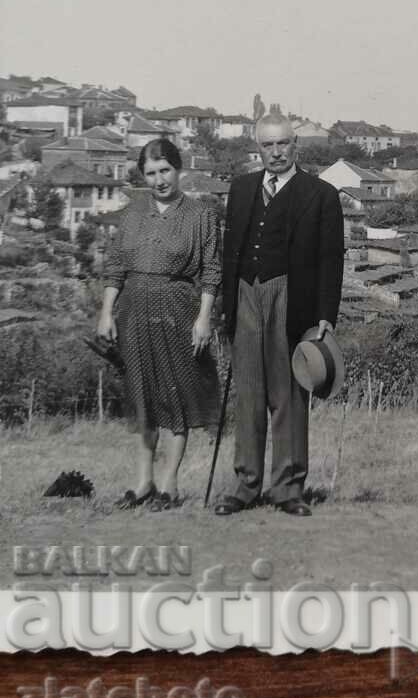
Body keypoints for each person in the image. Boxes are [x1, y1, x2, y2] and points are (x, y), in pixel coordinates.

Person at [215, 112, 344, 517]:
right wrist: (227, 305)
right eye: (267, 145)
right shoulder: (240, 190)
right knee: (249, 394)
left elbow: (330, 258)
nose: (275, 152)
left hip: (293, 297)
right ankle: (245, 486)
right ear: (258, 148)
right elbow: (230, 252)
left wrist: (325, 313)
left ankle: (288, 489)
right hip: (246, 295)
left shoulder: (320, 194)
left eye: (282, 144)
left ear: (295, 145)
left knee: (288, 395)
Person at [96, 138, 220, 511]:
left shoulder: (201, 215)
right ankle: (143, 481)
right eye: (151, 173)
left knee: (176, 395)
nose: (159, 179)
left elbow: (212, 271)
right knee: (142, 396)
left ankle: (169, 484)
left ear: (178, 169)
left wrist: (203, 318)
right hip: (133, 314)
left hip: (178, 312)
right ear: (143, 176)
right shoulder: (132, 213)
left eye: (165, 170)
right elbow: (115, 266)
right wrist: (106, 312)